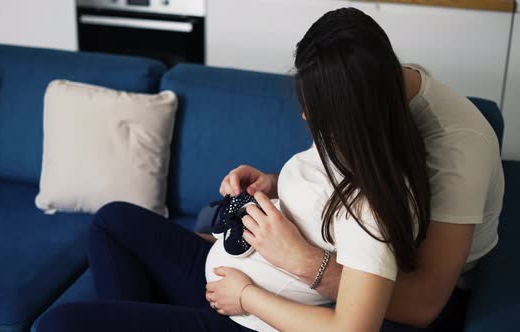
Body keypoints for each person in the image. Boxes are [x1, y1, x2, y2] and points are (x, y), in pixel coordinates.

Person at [36, 7, 503, 332]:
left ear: (345, 111)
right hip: (246, 286)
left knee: (60, 324)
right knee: (113, 221)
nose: (304, 118)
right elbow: (330, 199)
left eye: (313, 110)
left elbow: (411, 307)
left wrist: (288, 269)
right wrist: (276, 190)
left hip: (270, 312)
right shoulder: (365, 111)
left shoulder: (438, 157)